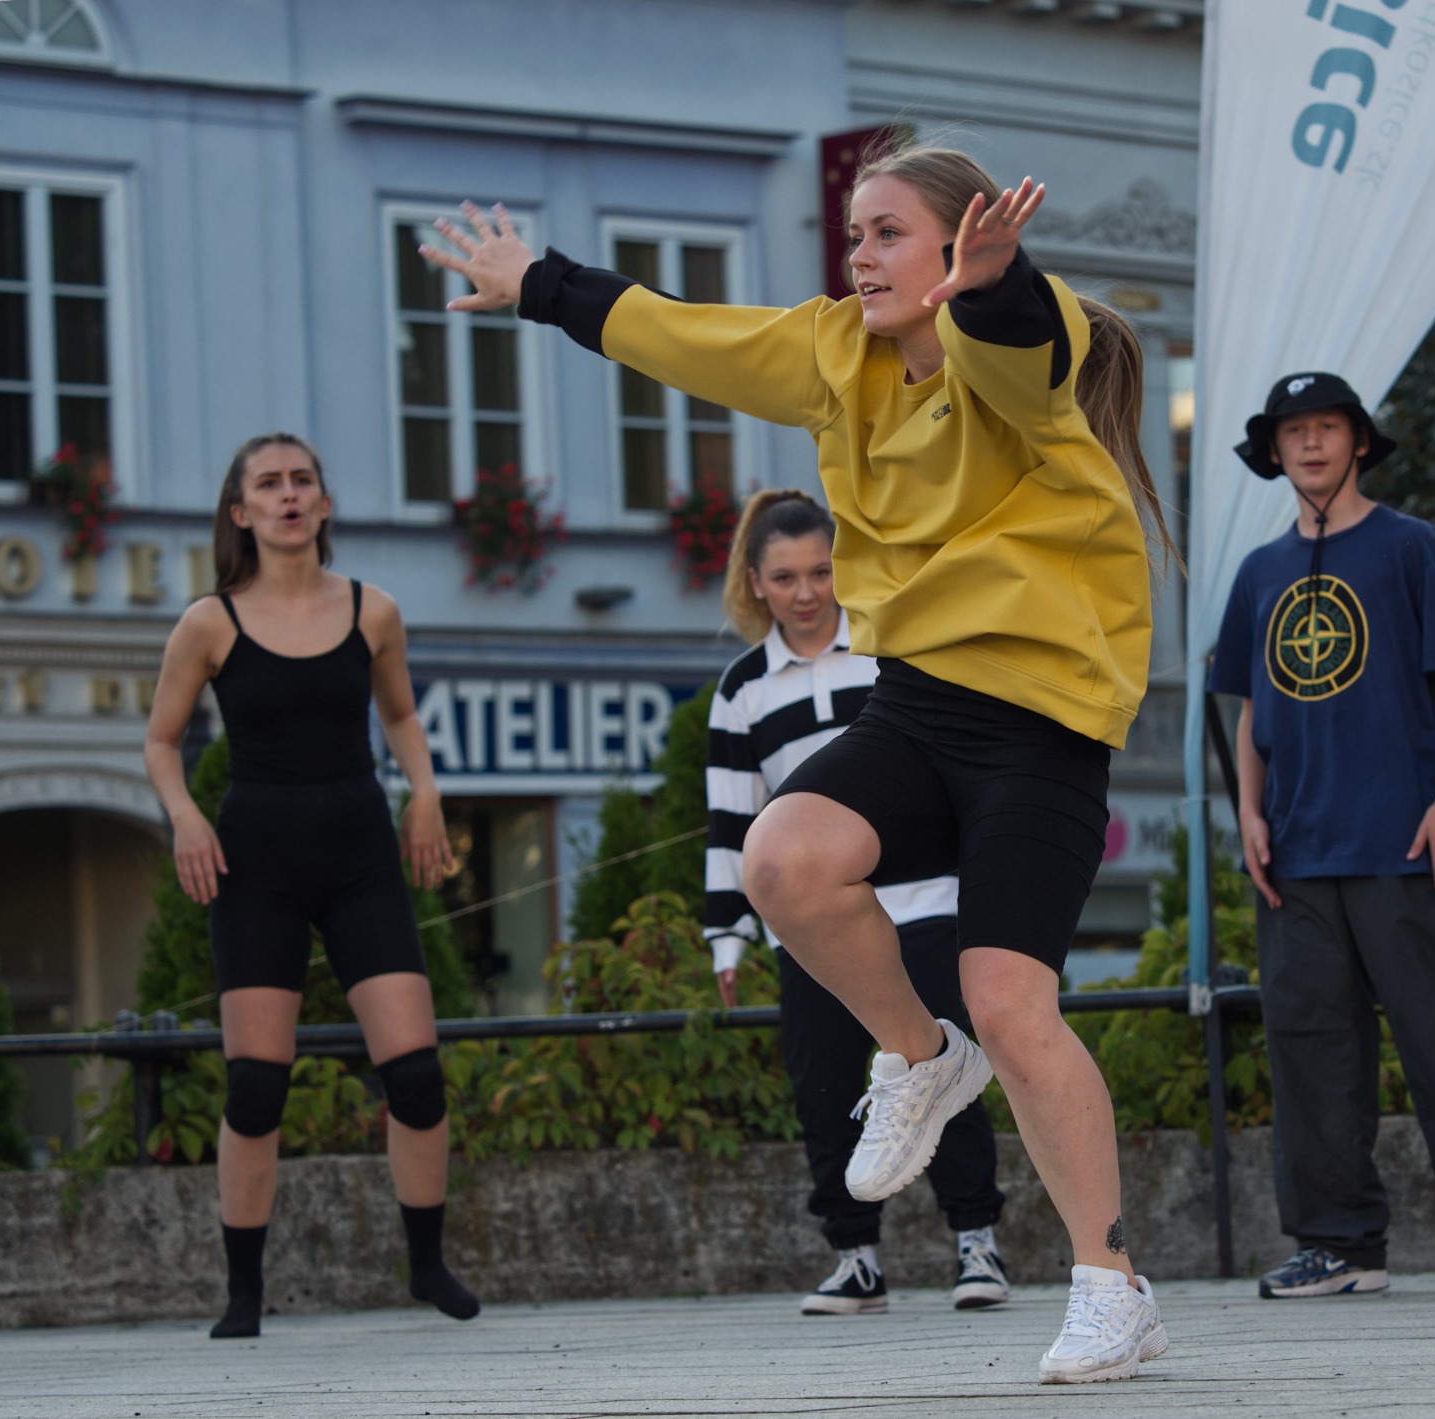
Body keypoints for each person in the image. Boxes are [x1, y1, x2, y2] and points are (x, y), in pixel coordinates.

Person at [425, 136, 1173, 1383]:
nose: (859, 255)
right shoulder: (837, 355)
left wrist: (994, 281)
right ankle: (922, 1059)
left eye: (888, 234)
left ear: (955, 247)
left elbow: (1016, 341)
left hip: (1039, 723)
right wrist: (539, 284)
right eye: (854, 233)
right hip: (920, 704)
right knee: (784, 858)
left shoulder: (1020, 351)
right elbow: (686, 336)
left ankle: (1113, 1285)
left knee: (1009, 998)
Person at [1210, 372, 1435, 1299]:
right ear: (1273, 452)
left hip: (1405, 841)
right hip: (1294, 855)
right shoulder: (1260, 570)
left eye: (1328, 427)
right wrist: (1248, 812)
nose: (1311, 443)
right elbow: (1251, 706)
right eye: (1294, 432)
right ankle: (1340, 1243)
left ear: (1359, 441)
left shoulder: (1408, 545)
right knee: (1310, 1054)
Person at [143, 433, 479, 1339]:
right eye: (269, 483)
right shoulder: (210, 622)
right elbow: (161, 740)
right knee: (256, 1086)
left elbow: (400, 713)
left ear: (324, 504)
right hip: (256, 864)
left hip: (360, 855)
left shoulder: (374, 610)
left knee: (415, 1074)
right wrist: (184, 815)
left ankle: (427, 1264)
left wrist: (426, 793)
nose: (288, 495)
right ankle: (243, 1291)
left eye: (302, 480)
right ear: (241, 511)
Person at [706, 488, 1009, 1316]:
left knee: (941, 1066)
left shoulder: (887, 646)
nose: (806, 592)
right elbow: (732, 821)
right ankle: (856, 1256)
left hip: (922, 903)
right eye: (785, 577)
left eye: (820, 571)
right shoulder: (741, 689)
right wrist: (726, 934)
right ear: (755, 583)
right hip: (811, 931)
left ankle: (976, 1241)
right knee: (827, 1085)